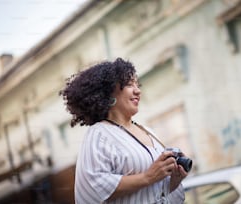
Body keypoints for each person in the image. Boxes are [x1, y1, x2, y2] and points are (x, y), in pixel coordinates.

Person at [60, 58, 188, 204]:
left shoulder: (147, 131)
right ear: (108, 93)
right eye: (129, 84)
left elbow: (155, 192)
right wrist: (148, 177)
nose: (138, 90)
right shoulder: (99, 133)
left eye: (137, 84)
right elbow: (94, 186)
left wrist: (174, 179)